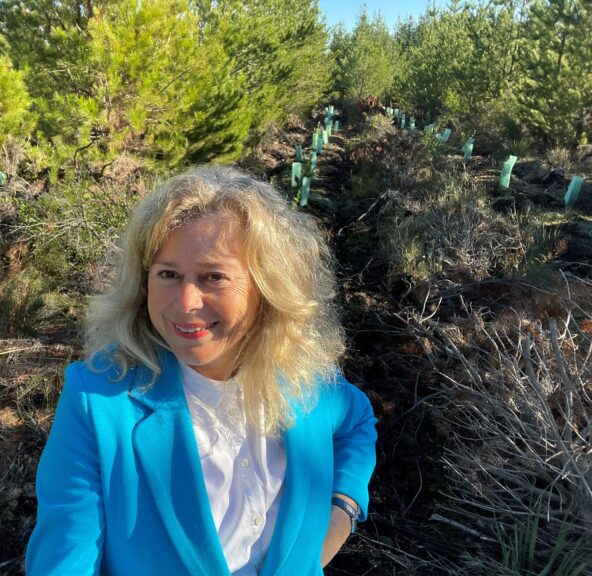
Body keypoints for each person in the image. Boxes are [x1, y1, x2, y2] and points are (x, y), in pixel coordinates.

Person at [25, 166, 377, 575]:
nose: (187, 301)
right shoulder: (99, 402)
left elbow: (358, 420)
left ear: (268, 287)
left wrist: (342, 511)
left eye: (213, 276)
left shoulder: (304, 379)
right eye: (168, 274)